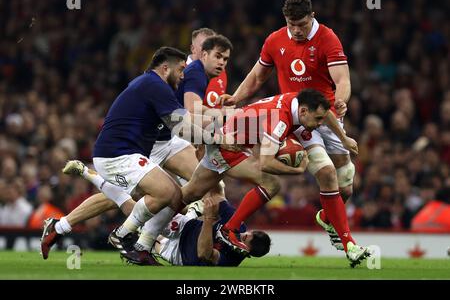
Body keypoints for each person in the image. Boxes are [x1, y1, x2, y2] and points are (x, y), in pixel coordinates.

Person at [122, 89, 369, 267]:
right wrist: (297, 170)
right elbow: (266, 162)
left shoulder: (297, 100)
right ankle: (229, 230)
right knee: (272, 183)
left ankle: (139, 238)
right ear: (303, 111)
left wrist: (344, 139)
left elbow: (325, 115)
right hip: (229, 147)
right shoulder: (281, 120)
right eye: (315, 119)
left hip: (229, 138)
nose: (315, 126)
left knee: (187, 194)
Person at [40, 46, 229, 263]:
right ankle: (123, 236)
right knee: (166, 192)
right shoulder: (155, 85)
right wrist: (216, 136)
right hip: (117, 155)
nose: (183, 75)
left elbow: (184, 122)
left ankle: (135, 245)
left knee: (172, 196)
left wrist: (212, 129)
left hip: (126, 154)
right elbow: (181, 126)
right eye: (180, 70)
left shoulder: (152, 85)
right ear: (166, 68)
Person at [220, 0, 358, 253]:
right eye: (290, 24)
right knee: (326, 172)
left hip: (327, 114)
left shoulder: (328, 38)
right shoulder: (275, 40)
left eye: (301, 25)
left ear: (312, 17)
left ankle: (328, 218)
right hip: (299, 118)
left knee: (346, 184)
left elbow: (342, 80)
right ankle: (347, 241)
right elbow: (258, 76)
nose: (295, 30)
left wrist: (340, 101)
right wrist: (236, 97)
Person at [150, 196, 271, 266]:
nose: (241, 235)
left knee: (151, 241)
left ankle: (192, 211)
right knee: (151, 215)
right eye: (247, 234)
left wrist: (208, 219)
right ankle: (192, 211)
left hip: (181, 254)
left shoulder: (230, 260)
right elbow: (219, 199)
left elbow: (203, 253)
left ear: (247, 252)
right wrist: (210, 202)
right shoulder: (238, 226)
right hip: (187, 228)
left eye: (244, 239)